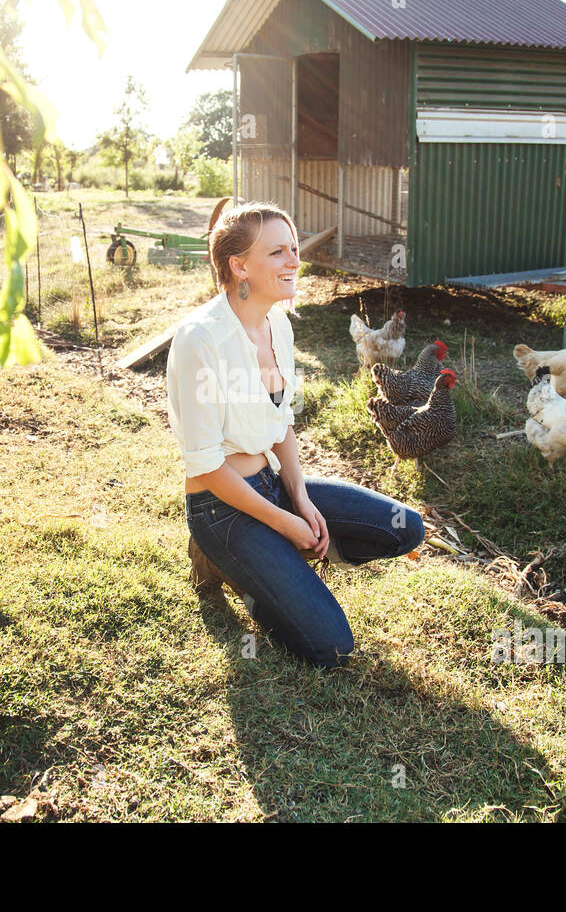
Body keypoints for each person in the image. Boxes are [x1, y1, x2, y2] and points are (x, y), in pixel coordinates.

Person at [166, 202, 424, 669]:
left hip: (273, 483)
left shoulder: (279, 323)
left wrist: (301, 499)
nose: (294, 261)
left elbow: (282, 421)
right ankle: (219, 555)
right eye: (278, 252)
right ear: (239, 265)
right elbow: (205, 463)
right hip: (222, 506)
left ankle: (270, 561)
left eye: (294, 248)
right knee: (332, 648)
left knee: (405, 528)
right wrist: (287, 526)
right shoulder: (199, 339)